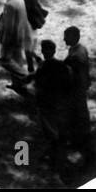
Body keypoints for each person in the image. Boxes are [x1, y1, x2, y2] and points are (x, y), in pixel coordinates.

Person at [33, 40, 73, 171]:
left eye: (45, 50)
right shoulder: (61, 66)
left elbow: (39, 84)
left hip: (47, 104)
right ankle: (57, 154)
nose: (44, 52)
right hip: (59, 104)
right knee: (57, 129)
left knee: (50, 131)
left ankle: (55, 158)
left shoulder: (44, 68)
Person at [0, 0, 33, 94]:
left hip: (12, 38)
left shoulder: (10, 5)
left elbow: (9, 27)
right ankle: (17, 84)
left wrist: (5, 42)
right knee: (17, 59)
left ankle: (24, 76)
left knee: (4, 60)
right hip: (21, 33)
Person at [63, 26, 92, 160]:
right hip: (80, 87)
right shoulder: (80, 49)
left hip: (76, 88)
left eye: (66, 37)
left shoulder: (76, 55)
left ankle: (79, 141)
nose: (64, 39)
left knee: (77, 113)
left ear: (73, 37)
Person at [16, 0, 48, 72]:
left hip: (28, 24)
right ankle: (36, 58)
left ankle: (30, 68)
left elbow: (24, 11)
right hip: (33, 22)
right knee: (29, 44)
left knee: (26, 47)